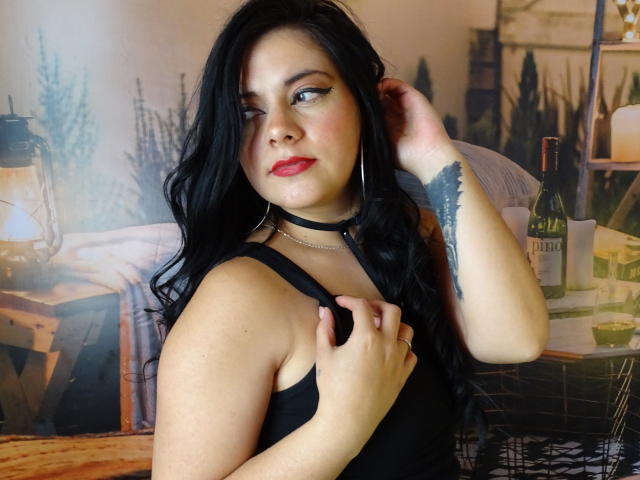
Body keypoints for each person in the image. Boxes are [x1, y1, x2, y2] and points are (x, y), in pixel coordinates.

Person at [150, 0, 549, 478]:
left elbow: (516, 341)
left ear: (366, 102)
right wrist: (341, 425)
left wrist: (435, 156)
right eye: (248, 110)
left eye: (305, 94)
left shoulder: (415, 235)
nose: (278, 130)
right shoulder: (238, 295)